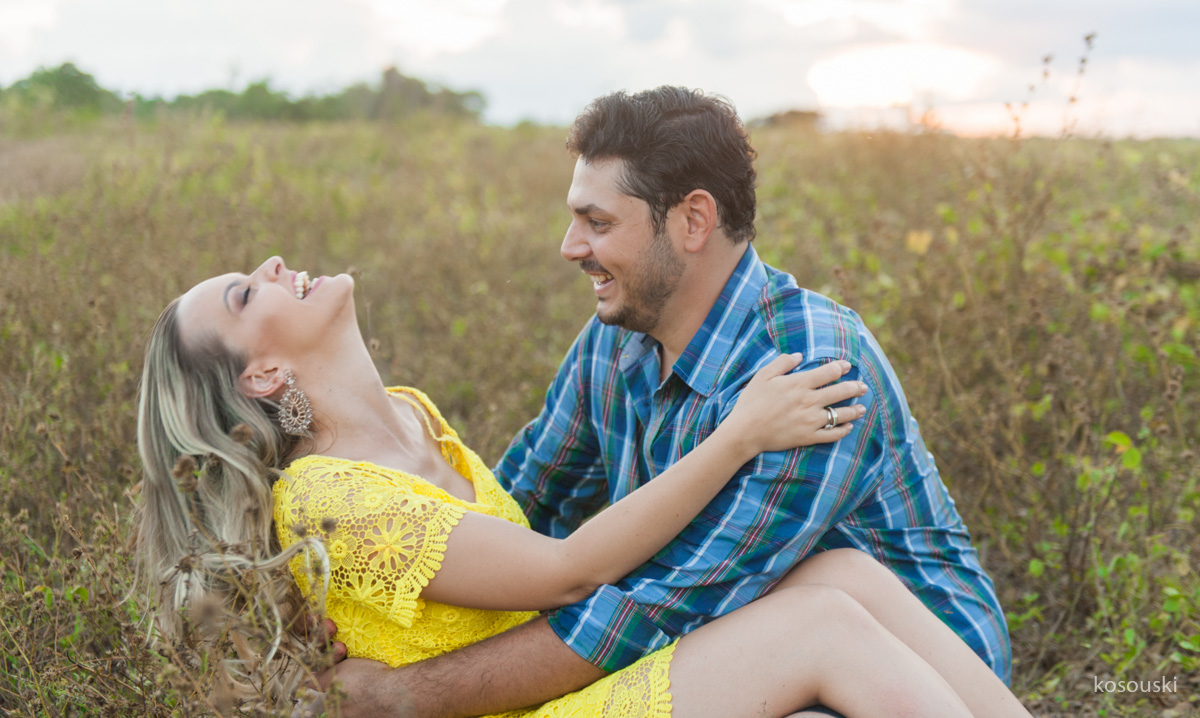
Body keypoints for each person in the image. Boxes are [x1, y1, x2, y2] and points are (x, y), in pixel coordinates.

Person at [320, 86, 1016, 717]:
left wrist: (408, 694)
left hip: (917, 662)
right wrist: (354, 603)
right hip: (753, 637)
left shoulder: (809, 365)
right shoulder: (611, 343)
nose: (570, 247)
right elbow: (516, 505)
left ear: (692, 221)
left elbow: (661, 610)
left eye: (597, 221)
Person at [132, 251, 1035, 717]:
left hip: (558, 695)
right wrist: (738, 435)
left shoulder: (410, 413)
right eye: (248, 296)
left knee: (839, 575)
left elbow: (521, 509)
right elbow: (564, 572)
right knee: (822, 622)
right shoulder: (323, 496)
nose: (275, 270)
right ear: (260, 378)